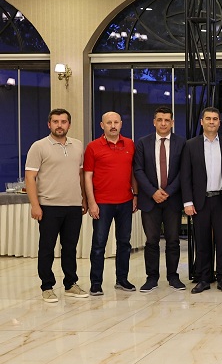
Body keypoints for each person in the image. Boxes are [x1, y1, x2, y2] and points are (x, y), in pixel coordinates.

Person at [25, 109, 89, 303]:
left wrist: (84, 199)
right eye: (55, 121)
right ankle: (47, 287)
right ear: (49, 124)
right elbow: (30, 177)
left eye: (63, 121)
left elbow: (80, 175)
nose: (59, 125)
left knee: (70, 248)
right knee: (47, 248)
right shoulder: (39, 146)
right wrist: (35, 205)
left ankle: (70, 284)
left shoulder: (77, 145)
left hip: (73, 206)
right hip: (49, 206)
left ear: (69, 124)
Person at [181, 107, 222, 294]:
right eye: (208, 118)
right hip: (200, 201)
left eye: (215, 119)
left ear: (219, 122)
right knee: (202, 241)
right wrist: (187, 202)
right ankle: (204, 278)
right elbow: (185, 176)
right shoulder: (191, 145)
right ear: (202, 122)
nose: (212, 122)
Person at [133, 106, 186, 293]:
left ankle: (173, 276)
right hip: (150, 201)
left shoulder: (181, 143)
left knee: (173, 240)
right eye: (160, 120)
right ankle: (152, 278)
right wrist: (153, 192)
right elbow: (138, 170)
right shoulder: (143, 143)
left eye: (167, 120)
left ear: (172, 122)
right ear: (154, 122)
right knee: (151, 241)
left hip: (172, 200)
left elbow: (183, 171)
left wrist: (168, 191)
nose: (163, 123)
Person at [84, 111, 138, 295]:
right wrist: (91, 202)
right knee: (99, 244)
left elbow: (133, 172)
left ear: (121, 124)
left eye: (116, 122)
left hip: (125, 202)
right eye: (109, 123)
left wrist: (135, 195)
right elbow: (87, 176)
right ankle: (96, 283)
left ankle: (122, 280)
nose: (113, 126)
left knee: (124, 243)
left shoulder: (130, 144)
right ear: (102, 125)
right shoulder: (93, 147)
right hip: (102, 203)